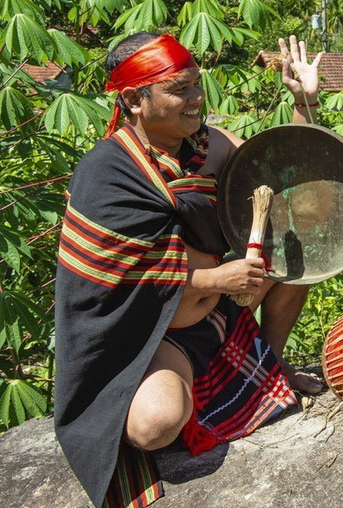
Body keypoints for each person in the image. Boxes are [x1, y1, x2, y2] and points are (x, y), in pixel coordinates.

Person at [54, 32, 324, 508]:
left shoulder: (209, 145)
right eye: (180, 89)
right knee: (154, 427)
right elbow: (102, 280)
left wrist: (304, 102)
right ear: (135, 99)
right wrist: (212, 279)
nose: (197, 98)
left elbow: (280, 174)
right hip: (153, 335)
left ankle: (270, 362)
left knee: (299, 253)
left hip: (221, 314)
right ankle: (210, 385)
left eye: (198, 84)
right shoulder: (106, 172)